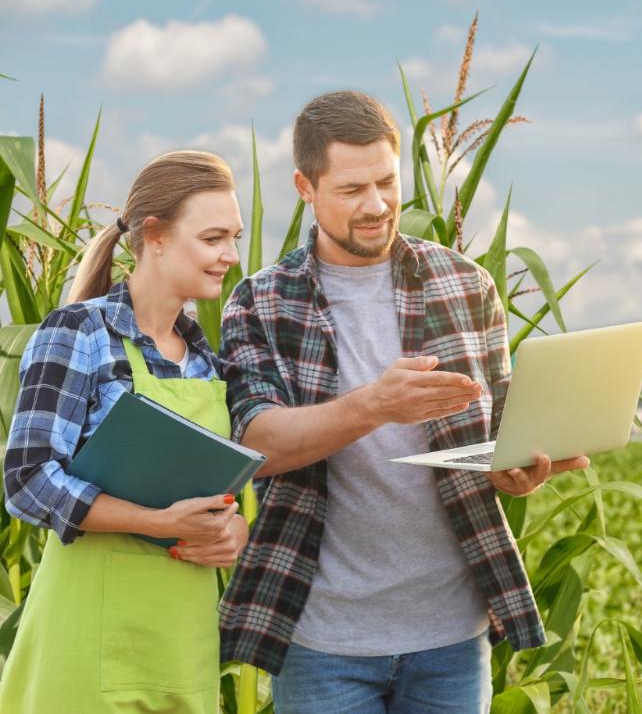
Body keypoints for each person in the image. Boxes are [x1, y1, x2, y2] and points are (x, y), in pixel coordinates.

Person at [218, 90, 589, 713]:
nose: (378, 205)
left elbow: (497, 432)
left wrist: (518, 470)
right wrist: (375, 405)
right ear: (305, 187)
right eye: (352, 190)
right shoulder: (260, 302)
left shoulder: (467, 285)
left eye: (388, 183)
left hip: (452, 638)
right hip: (321, 641)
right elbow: (254, 444)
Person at [0, 151, 250, 713]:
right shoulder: (79, 333)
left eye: (233, 237)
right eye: (213, 239)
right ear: (155, 236)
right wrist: (157, 522)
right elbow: (27, 480)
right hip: (88, 643)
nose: (230, 257)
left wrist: (234, 536)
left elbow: (223, 502)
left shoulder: (208, 364)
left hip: (180, 648)